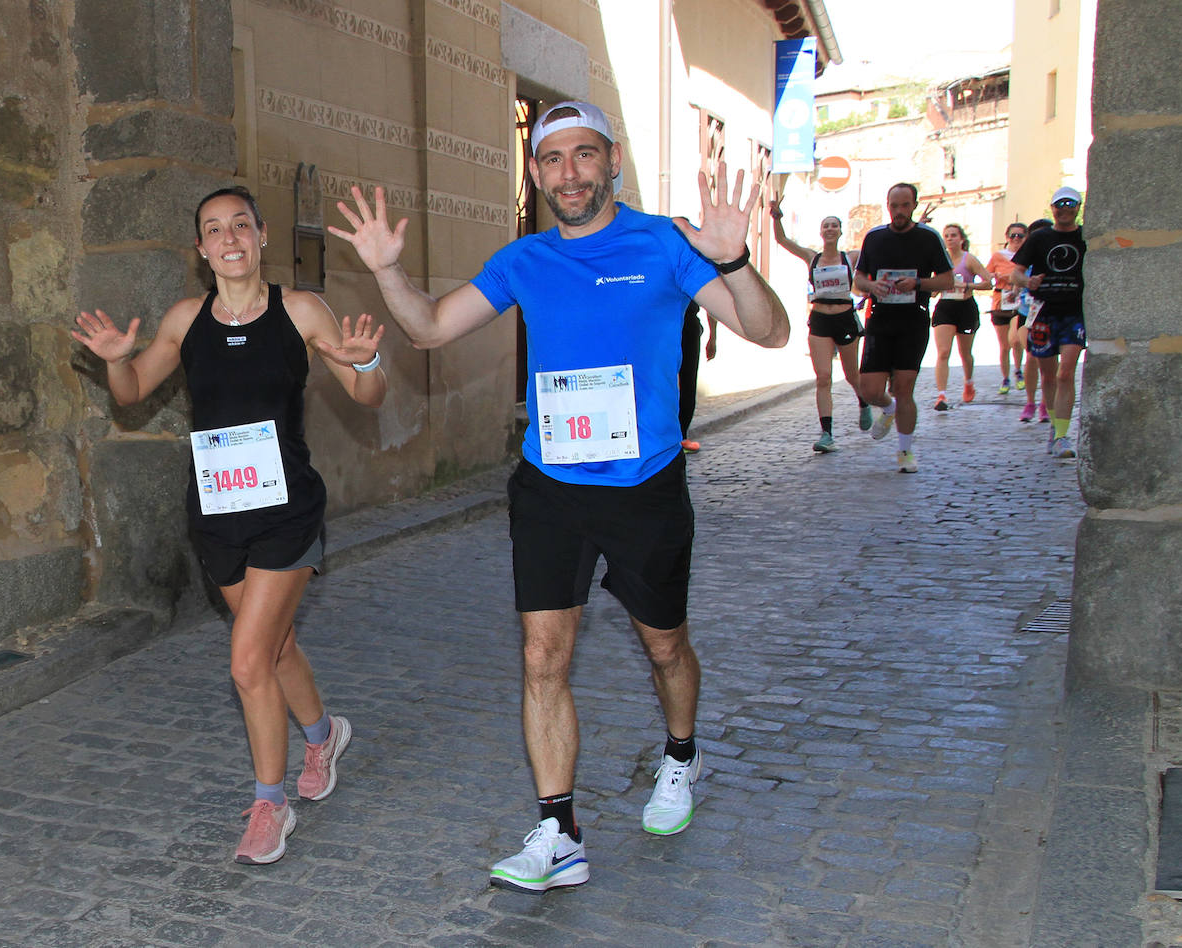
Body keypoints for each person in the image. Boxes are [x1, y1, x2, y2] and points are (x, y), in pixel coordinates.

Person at [328, 100, 789, 893]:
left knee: (665, 646)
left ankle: (682, 755)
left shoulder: (665, 244)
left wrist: (736, 260)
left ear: (611, 161)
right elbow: (434, 328)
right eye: (552, 159)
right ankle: (559, 829)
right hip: (550, 485)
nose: (568, 172)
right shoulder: (525, 259)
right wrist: (384, 269)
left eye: (584, 155)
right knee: (544, 655)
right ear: (535, 171)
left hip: (644, 486)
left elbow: (771, 333)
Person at [71, 186, 387, 865]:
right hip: (217, 514)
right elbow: (129, 398)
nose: (229, 237)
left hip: (286, 512)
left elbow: (367, 392)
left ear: (261, 235)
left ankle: (270, 805)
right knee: (272, 649)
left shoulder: (300, 310)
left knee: (247, 660)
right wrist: (116, 358)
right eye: (214, 228)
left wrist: (365, 361)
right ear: (201, 248)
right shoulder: (186, 320)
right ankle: (323, 734)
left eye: (240, 224)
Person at [853, 183, 954, 473]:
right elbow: (859, 278)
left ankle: (905, 451)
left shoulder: (928, 238)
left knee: (904, 387)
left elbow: (947, 279)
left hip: (914, 318)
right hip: (881, 318)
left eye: (904, 206)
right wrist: (871, 286)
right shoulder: (874, 238)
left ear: (914, 206)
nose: (899, 212)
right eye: (894, 206)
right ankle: (887, 408)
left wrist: (918, 283)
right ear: (888, 206)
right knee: (869, 389)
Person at [770, 199, 872, 453]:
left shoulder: (851, 257)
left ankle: (863, 401)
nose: (829, 229)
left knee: (851, 375)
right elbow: (783, 241)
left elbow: (878, 252)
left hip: (845, 317)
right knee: (823, 377)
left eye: (833, 226)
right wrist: (776, 218)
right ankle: (827, 433)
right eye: (825, 225)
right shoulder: (812, 257)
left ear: (840, 231)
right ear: (821, 232)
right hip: (820, 319)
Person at [1012, 186, 1087, 457]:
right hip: (1043, 312)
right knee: (1049, 375)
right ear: (1052, 207)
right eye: (1059, 204)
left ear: (1078, 207)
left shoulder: (1085, 236)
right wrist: (1028, 281)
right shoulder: (1040, 238)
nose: (1064, 209)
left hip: (1074, 312)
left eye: (1070, 204)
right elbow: (1016, 274)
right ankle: (1055, 429)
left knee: (1066, 372)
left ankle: (1064, 436)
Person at [930, 223, 991, 411]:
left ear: (961, 239)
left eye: (953, 235)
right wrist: (937, 287)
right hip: (945, 307)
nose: (950, 238)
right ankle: (942, 395)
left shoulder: (969, 259)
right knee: (943, 352)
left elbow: (988, 282)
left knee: (965, 353)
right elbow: (932, 291)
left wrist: (967, 286)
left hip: (965, 307)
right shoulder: (940, 261)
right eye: (946, 235)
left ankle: (969, 382)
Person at [1015, 217, 1054, 423]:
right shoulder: (1026, 260)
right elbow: (1016, 277)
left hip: (1051, 313)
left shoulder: (1056, 260)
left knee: (1049, 362)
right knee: (1031, 356)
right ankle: (1030, 402)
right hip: (1027, 313)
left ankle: (1045, 404)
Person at [985, 223, 1028, 394]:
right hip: (1000, 302)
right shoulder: (998, 256)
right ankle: (1005, 377)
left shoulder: (1027, 255)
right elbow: (986, 275)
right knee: (1004, 346)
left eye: (1020, 236)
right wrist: (995, 276)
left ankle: (1018, 370)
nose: (1016, 239)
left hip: (1019, 303)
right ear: (1007, 237)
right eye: (1013, 236)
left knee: (1015, 339)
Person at [677, 301, 715, 453]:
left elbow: (712, 303)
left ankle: (681, 435)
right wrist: (713, 338)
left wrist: (713, 338)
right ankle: (679, 435)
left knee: (687, 382)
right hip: (668, 326)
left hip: (685, 326)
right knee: (683, 382)